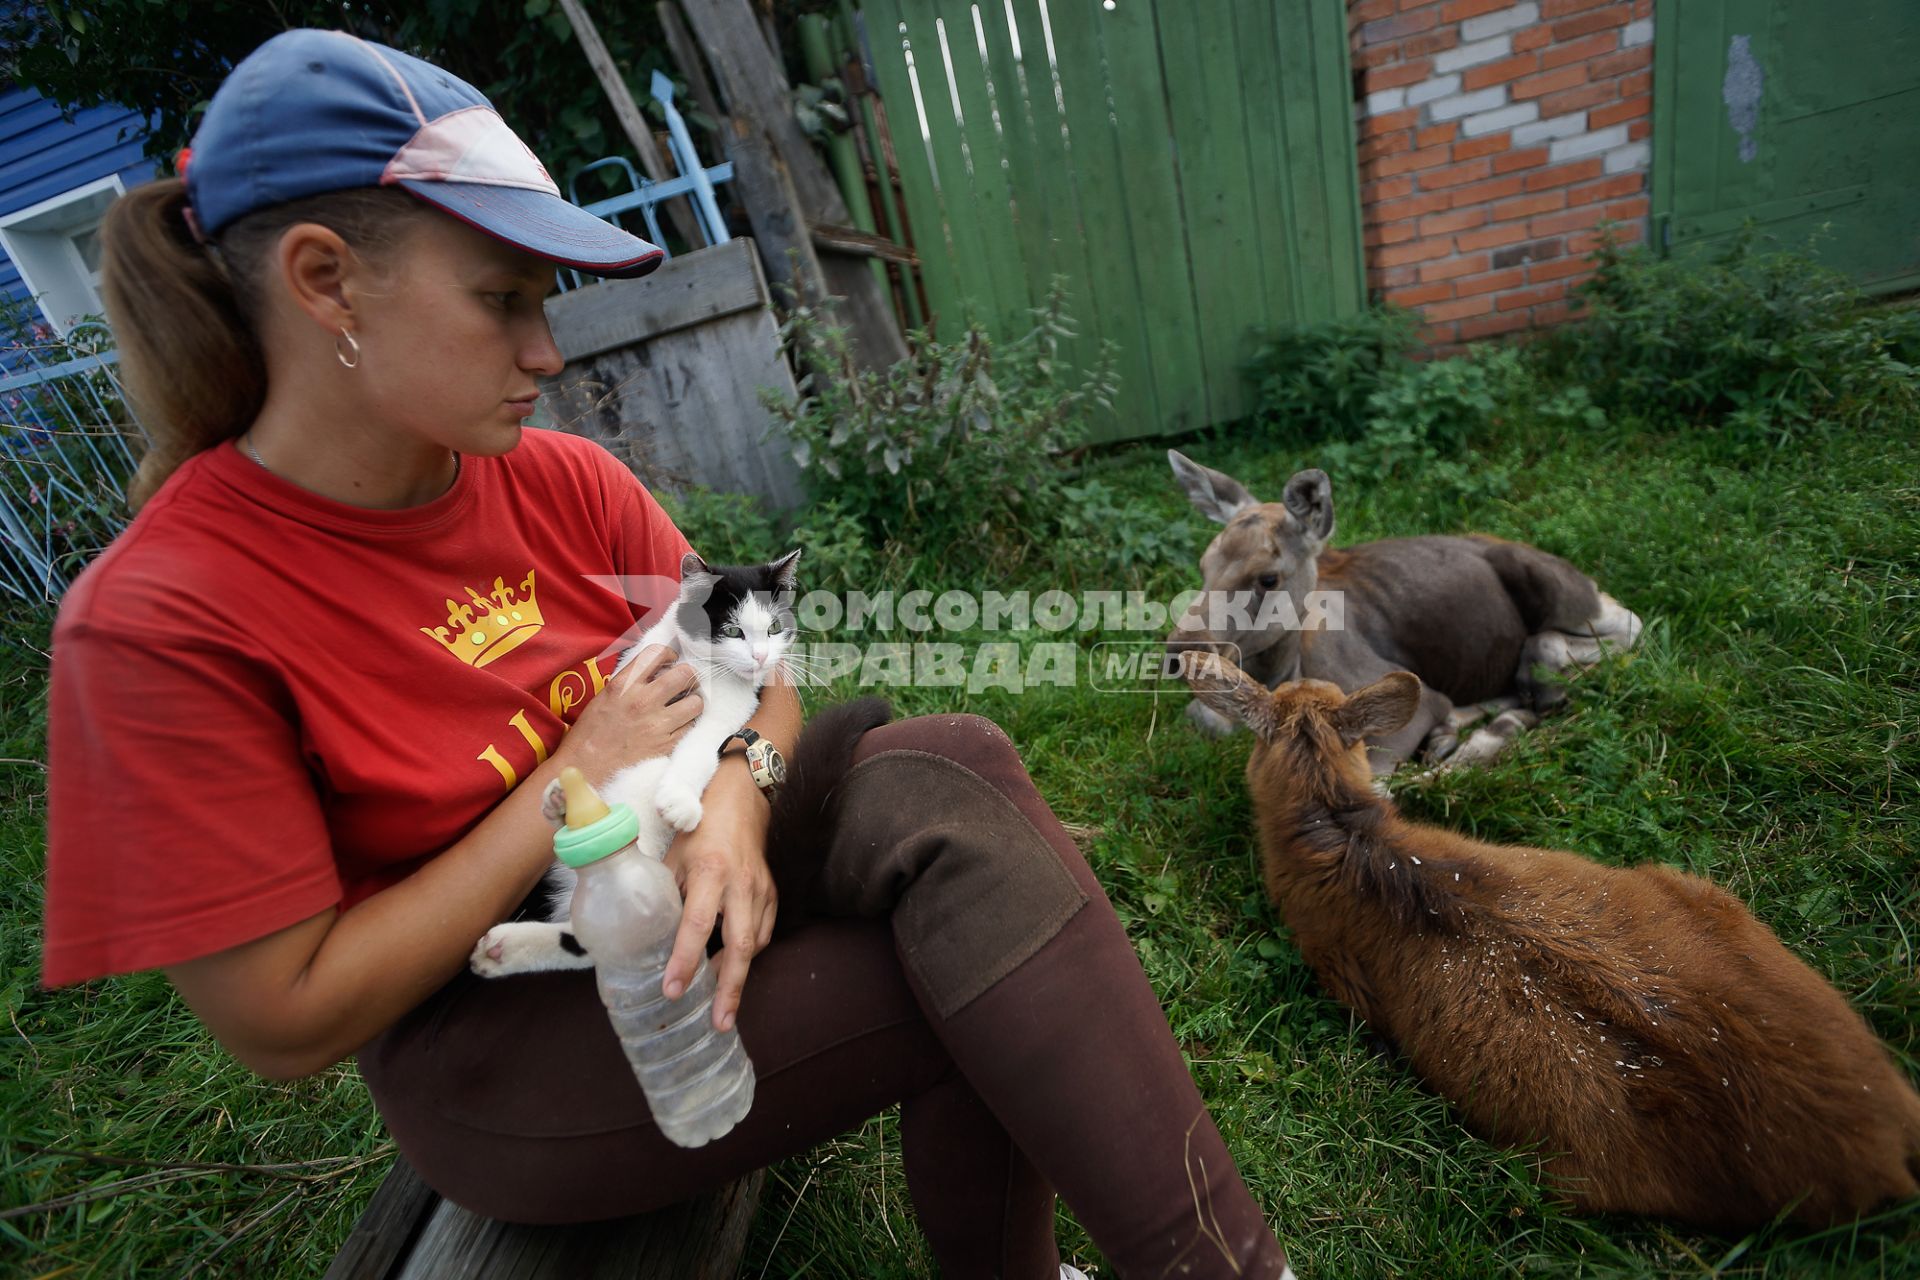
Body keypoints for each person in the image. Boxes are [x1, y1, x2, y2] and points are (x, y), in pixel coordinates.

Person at [39, 29, 1297, 1279]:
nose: (547, 351)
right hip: (512, 1037)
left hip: (683, 872)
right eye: (502, 299)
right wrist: (567, 784)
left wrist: (742, 799)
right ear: (326, 281)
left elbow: (768, 674)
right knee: (973, 971)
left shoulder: (560, 479)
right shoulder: (164, 618)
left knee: (950, 764)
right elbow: (286, 1013)